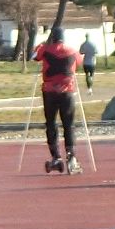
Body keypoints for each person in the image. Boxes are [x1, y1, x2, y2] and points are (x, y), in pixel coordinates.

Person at [34, 29, 82, 174]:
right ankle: (71, 155)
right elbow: (80, 61)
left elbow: (34, 56)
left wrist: (40, 46)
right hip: (67, 91)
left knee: (50, 123)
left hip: (49, 91)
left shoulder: (45, 49)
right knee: (69, 124)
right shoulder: (72, 51)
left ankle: (55, 155)